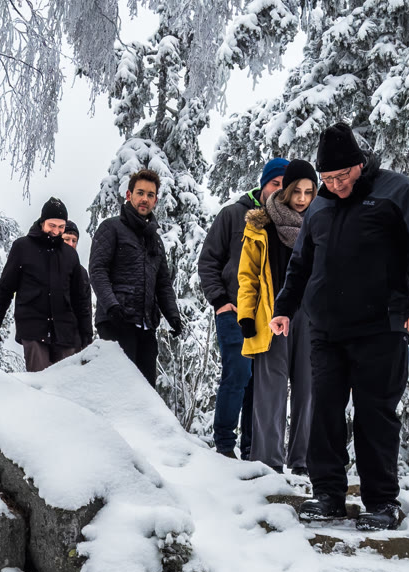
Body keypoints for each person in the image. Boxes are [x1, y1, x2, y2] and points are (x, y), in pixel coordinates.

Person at [271, 122, 409, 529]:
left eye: (342, 176)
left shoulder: (395, 191)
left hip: (381, 326)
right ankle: (328, 495)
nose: (335, 185)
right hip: (327, 330)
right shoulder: (320, 206)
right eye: (327, 178)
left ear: (359, 164)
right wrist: (285, 308)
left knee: (374, 414)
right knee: (324, 413)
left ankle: (381, 502)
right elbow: (302, 263)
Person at [198, 156, 289, 457]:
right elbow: (208, 260)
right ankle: (225, 445)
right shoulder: (233, 215)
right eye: (275, 183)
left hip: (269, 317)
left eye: (285, 186)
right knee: (238, 374)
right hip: (235, 312)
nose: (280, 190)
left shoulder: (285, 221)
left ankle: (252, 449)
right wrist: (220, 301)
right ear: (263, 184)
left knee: (260, 384)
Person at [238, 160, 316, 475]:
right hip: (271, 317)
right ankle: (268, 461)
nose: (302, 198)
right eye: (296, 191)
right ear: (285, 190)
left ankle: (303, 461)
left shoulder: (320, 224)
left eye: (308, 192)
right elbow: (248, 276)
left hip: (310, 317)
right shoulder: (261, 225)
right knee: (270, 390)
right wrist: (246, 315)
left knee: (308, 389)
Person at [88, 167, 182, 385]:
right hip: (116, 321)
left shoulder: (155, 240)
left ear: (155, 201)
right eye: (140, 193)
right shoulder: (111, 228)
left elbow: (163, 283)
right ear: (129, 195)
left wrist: (173, 316)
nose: (144, 199)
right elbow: (97, 270)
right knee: (120, 388)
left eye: (150, 195)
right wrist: (111, 305)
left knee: (145, 391)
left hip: (146, 325)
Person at [0, 200, 93, 371]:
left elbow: (79, 299)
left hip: (65, 330)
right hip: (33, 326)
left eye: (61, 227)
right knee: (39, 379)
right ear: (42, 222)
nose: (56, 231)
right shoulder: (22, 247)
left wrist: (86, 334)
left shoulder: (70, 255)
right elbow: (6, 289)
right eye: (52, 225)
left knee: (66, 381)